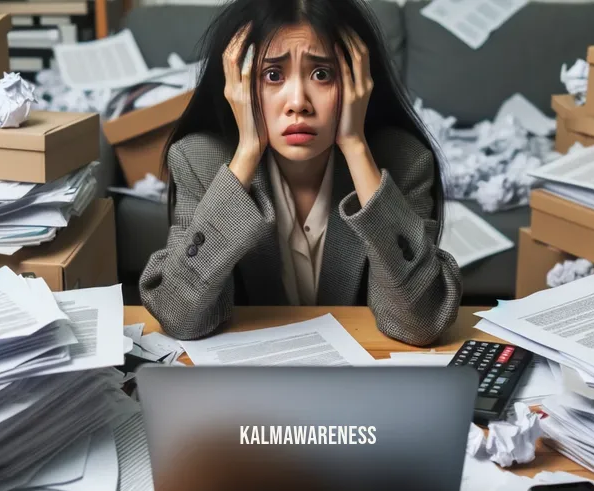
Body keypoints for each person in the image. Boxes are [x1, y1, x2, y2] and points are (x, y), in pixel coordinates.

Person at [139, 0, 462, 346]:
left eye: (322, 74)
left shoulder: (404, 161)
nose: (298, 102)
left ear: (359, 83)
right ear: (237, 87)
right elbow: (179, 318)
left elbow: (422, 323)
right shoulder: (198, 160)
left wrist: (355, 145)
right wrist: (247, 152)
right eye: (272, 75)